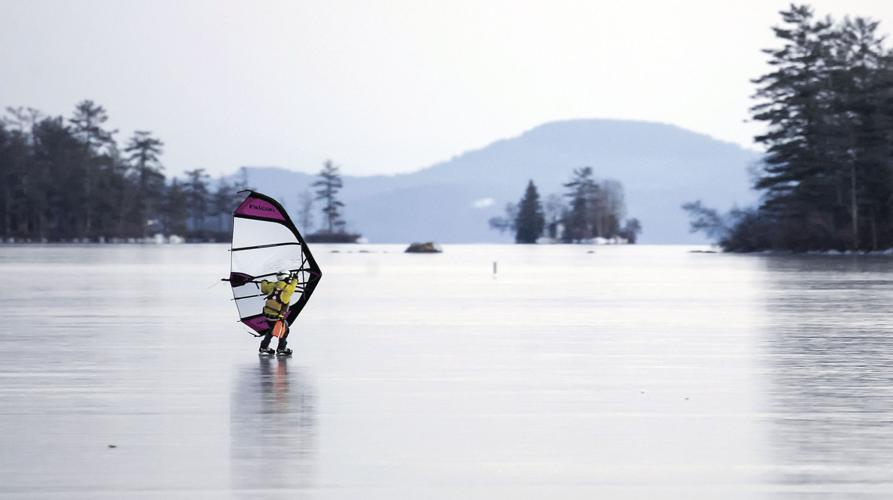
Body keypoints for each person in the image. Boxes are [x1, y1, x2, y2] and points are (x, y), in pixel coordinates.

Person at [258, 271, 299, 356]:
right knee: (285, 330)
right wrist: (295, 279)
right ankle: (281, 348)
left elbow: (263, 288)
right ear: (286, 278)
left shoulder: (272, 285)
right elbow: (293, 286)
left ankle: (264, 347)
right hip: (277, 317)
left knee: (271, 330)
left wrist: (264, 281)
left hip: (267, 314)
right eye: (289, 277)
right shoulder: (287, 289)